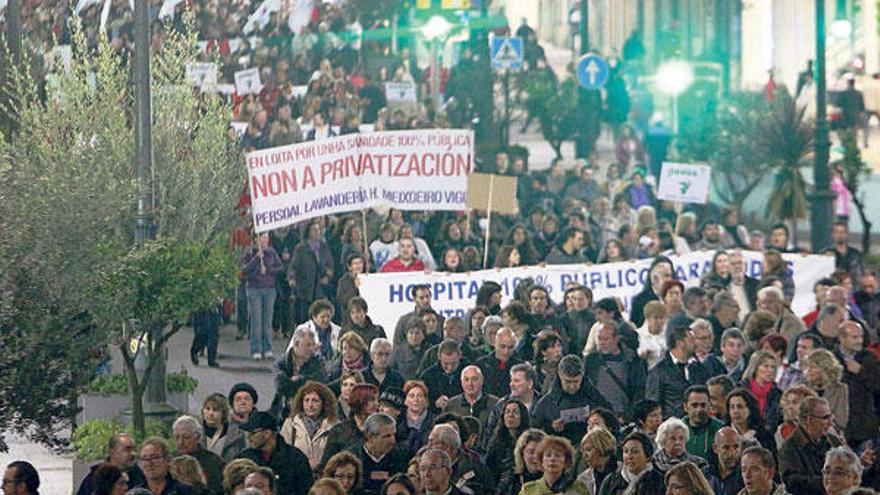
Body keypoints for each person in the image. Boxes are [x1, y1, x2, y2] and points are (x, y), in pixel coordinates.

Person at [533, 355, 613, 446]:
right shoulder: (546, 403)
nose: (572, 386)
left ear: (582, 375)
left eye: (576, 381)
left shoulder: (595, 398)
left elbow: (611, 423)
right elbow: (535, 432)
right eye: (567, 381)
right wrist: (551, 428)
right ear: (559, 375)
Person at [778, 396, 847, 495]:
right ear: (809, 420)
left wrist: (860, 464)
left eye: (830, 417)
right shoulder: (789, 448)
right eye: (825, 418)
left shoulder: (833, 440)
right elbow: (792, 482)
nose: (831, 423)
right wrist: (829, 482)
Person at [236, 411, 314, 495]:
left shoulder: (295, 458)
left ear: (267, 433)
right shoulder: (244, 458)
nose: (248, 437)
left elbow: (306, 490)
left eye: (252, 433)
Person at [583, 321, 647, 419]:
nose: (601, 342)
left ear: (616, 338)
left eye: (605, 339)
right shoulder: (591, 360)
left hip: (622, 415)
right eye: (599, 338)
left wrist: (629, 415)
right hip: (596, 414)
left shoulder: (632, 361)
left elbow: (639, 391)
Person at [646, 326, 710, 418]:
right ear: (680, 343)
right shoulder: (659, 372)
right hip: (672, 426)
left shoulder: (700, 368)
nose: (695, 343)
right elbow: (652, 405)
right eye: (691, 340)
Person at [240, 232, 284, 360]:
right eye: (262, 237)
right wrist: (256, 259)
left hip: (269, 289)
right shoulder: (249, 252)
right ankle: (256, 349)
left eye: (266, 238)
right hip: (254, 289)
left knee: (267, 320)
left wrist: (269, 270)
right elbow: (245, 270)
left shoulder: (271, 252)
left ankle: (268, 348)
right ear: (256, 239)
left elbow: (280, 268)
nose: (265, 240)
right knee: (256, 320)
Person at [837, 320, 880, 447]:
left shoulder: (869, 358)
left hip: (865, 428)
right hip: (840, 428)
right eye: (855, 337)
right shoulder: (831, 358)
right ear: (841, 338)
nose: (860, 340)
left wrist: (861, 371)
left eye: (861, 336)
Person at [280, 380, 339, 472]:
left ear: (324, 403)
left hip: (324, 477)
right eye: (306, 400)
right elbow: (283, 454)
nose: (310, 405)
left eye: (315, 401)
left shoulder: (335, 426)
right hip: (297, 476)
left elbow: (338, 456)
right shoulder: (290, 424)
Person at [272, 326, 328, 420]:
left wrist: (297, 379)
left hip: (311, 414)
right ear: (297, 344)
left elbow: (320, 382)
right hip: (283, 412)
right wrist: (305, 381)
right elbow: (281, 386)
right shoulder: (281, 362)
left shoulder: (318, 361)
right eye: (308, 345)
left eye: (313, 344)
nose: (312, 349)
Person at [319, 384, 380, 469]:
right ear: (359, 401)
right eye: (372, 400)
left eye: (377, 400)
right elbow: (326, 465)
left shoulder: (380, 429)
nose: (377, 404)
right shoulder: (339, 431)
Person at [349, 413, 408, 495]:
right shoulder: (350, 458)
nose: (393, 441)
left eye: (393, 435)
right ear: (370, 437)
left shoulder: (401, 457)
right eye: (387, 436)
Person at [289, 221, 335, 327]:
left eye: (318, 230)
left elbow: (330, 264)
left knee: (320, 313)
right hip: (305, 286)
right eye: (314, 230)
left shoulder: (324, 247)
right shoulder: (301, 248)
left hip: (320, 288)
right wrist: (292, 278)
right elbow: (294, 266)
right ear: (308, 232)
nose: (317, 232)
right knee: (305, 317)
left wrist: (328, 276)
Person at [172, 415, 227, 495]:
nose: (181, 442)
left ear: (197, 436)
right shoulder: (169, 462)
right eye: (177, 437)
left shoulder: (215, 463)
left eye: (186, 437)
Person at [77, 433, 146, 495]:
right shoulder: (96, 476)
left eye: (134, 449)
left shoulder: (138, 475)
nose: (133, 453)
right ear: (112, 451)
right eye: (127, 449)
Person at [597, 431, 664, 495]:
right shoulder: (611, 481)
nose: (629, 456)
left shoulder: (659, 481)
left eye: (635, 451)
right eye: (625, 451)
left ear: (648, 456)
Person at [518, 435, 589, 495]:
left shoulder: (579, 489)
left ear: (566, 461)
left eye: (558, 455)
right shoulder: (528, 490)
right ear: (541, 460)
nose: (552, 459)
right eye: (548, 455)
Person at [802, 348, 850, 432]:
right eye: (807, 366)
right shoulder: (802, 387)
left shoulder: (840, 389)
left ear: (824, 368)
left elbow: (841, 421)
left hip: (829, 437)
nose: (808, 370)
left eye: (813, 367)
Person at [485, 398, 531, 484]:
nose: (511, 415)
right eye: (508, 412)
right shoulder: (495, 442)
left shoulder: (529, 441)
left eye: (515, 412)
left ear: (522, 416)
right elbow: (489, 470)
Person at [444, 365, 500, 430]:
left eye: (474, 379)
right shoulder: (451, 404)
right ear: (461, 382)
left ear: (482, 380)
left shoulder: (495, 403)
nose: (470, 384)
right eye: (466, 379)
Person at [740, 350, 783, 433]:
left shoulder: (778, 394)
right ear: (755, 368)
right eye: (766, 366)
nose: (770, 370)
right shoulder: (742, 390)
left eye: (772, 367)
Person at [725, 388, 775, 453]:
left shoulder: (764, 436)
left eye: (740, 407)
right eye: (732, 407)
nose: (736, 411)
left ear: (750, 409)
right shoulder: (723, 433)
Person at [682, 385, 724, 461]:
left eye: (703, 405)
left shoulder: (721, 429)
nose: (699, 409)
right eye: (694, 405)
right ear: (685, 407)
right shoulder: (676, 429)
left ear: (709, 405)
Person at [201, 393, 245, 460]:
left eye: (215, 410)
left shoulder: (236, 435)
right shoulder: (196, 433)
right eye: (207, 409)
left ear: (223, 413)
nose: (210, 413)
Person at [576, 428, 618, 495]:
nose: (584, 455)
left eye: (588, 450)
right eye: (582, 452)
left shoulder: (624, 473)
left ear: (603, 447)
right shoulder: (582, 479)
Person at [708, 427, 743, 495]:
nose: (732, 453)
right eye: (726, 448)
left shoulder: (745, 476)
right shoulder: (705, 475)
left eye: (736, 447)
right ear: (715, 448)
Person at [636, 301, 668, 369]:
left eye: (662, 318)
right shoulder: (638, 334)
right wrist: (642, 356)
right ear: (647, 318)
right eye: (655, 318)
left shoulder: (669, 334)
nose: (659, 321)